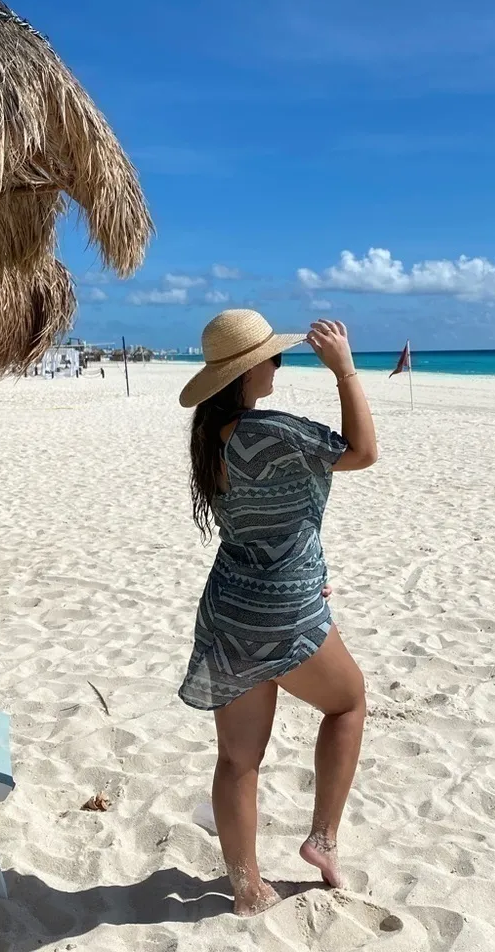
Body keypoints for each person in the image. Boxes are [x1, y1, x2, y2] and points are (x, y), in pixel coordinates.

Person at [178, 310, 378, 916]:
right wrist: (344, 371)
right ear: (248, 371)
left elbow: (264, 525)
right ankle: (321, 839)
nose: (278, 364)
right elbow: (363, 452)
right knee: (348, 703)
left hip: (230, 607)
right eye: (273, 357)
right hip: (284, 606)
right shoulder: (273, 433)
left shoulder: (210, 437)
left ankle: (246, 885)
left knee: (238, 757)